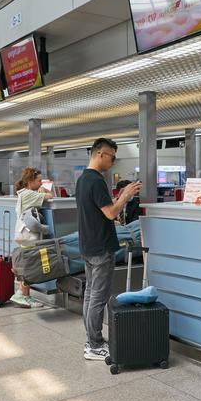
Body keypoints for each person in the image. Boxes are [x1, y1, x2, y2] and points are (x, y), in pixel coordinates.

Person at [76, 138, 140, 361]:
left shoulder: (83, 179)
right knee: (98, 297)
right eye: (112, 157)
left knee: (90, 295)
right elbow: (111, 213)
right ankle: (94, 345)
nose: (113, 161)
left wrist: (117, 199)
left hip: (88, 245)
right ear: (100, 154)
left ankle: (91, 340)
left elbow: (100, 209)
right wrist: (125, 196)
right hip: (101, 247)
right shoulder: (96, 180)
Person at [9, 167, 53, 308]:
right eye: (39, 181)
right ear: (30, 181)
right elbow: (50, 196)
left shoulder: (25, 193)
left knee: (27, 263)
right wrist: (44, 191)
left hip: (24, 234)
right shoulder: (29, 194)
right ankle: (23, 295)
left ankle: (23, 294)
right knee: (29, 265)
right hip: (29, 235)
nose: (41, 183)